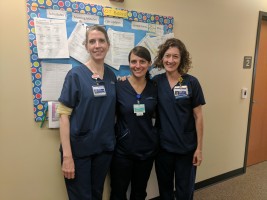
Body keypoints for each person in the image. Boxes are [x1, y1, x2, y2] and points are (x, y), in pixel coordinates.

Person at [57, 25, 116, 200]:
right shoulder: (75, 75)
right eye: (92, 41)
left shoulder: (112, 77)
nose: (97, 45)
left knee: (96, 194)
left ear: (108, 44)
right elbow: (63, 116)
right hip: (78, 151)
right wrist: (67, 156)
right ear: (86, 46)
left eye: (101, 41)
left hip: (103, 149)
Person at [153, 38, 205, 200]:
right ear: (162, 58)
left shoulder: (191, 82)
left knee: (184, 191)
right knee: (165, 190)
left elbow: (199, 116)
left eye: (175, 56)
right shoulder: (156, 82)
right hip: (163, 149)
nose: (170, 60)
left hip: (186, 149)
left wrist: (199, 149)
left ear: (181, 59)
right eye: (167, 56)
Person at [110, 46, 158, 200]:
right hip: (123, 151)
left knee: (139, 192)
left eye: (142, 61)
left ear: (149, 63)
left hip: (146, 151)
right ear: (129, 64)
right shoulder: (119, 86)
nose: (137, 65)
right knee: (118, 192)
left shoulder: (154, 87)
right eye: (133, 61)